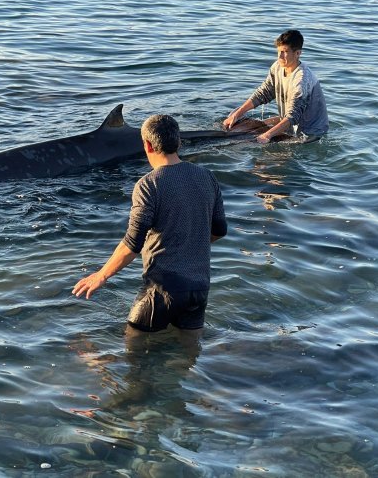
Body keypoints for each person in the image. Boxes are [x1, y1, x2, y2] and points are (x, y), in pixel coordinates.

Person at [72, 114, 227, 343]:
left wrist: (101, 275)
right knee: (189, 353)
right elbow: (219, 230)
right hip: (199, 288)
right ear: (179, 142)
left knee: (132, 353)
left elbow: (132, 244)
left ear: (146, 145)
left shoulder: (148, 184)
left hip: (162, 290)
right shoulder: (206, 177)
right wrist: (187, 242)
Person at [223, 29, 329, 143]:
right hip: (289, 123)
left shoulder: (302, 80)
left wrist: (267, 135)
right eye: (278, 51)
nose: (280, 56)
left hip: (310, 133)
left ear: (298, 53)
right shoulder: (277, 66)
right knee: (245, 126)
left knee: (269, 153)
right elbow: (264, 93)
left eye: (284, 52)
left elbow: (293, 116)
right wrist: (237, 114)